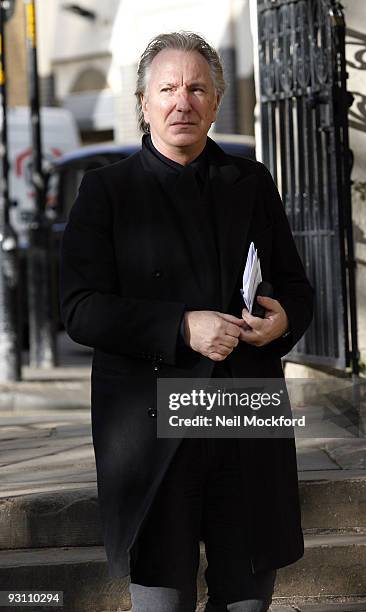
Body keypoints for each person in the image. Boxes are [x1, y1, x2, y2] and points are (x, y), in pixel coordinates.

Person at [59, 31, 314, 612]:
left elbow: (297, 289)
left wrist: (282, 324)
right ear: (143, 103)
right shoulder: (106, 191)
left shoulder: (251, 182)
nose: (183, 101)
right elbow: (79, 308)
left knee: (248, 598)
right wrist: (182, 326)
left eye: (197, 88)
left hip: (245, 417)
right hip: (152, 428)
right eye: (168, 88)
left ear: (217, 103)